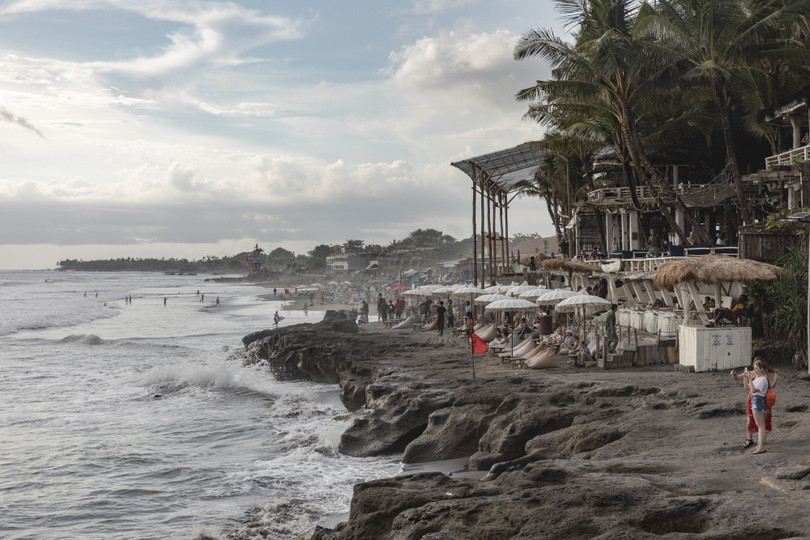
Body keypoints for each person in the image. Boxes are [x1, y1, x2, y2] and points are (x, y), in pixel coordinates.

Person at [731, 358, 778, 454]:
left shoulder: (763, 378)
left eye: (756, 368)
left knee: (761, 426)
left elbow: (753, 390)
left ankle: (761, 447)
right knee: (759, 425)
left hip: (759, 401)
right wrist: (745, 377)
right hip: (754, 401)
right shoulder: (757, 377)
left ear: (761, 368)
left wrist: (749, 378)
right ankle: (759, 445)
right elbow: (747, 387)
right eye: (754, 368)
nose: (754, 370)